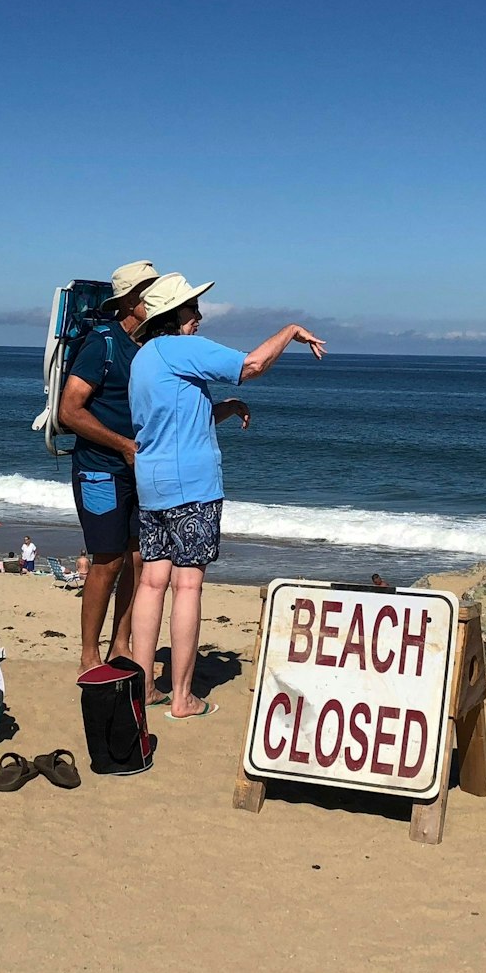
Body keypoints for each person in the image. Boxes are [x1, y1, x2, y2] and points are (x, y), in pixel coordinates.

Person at [125, 273, 325, 718]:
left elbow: (170, 421)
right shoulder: (182, 348)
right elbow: (250, 366)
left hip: (153, 483)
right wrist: (290, 331)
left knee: (152, 582)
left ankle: (142, 690)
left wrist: (224, 409)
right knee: (188, 584)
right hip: (191, 486)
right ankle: (181, 697)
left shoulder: (144, 358)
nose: (198, 316)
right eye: (191, 309)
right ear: (171, 316)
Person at [57, 259, 159, 672]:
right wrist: (122, 445)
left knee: (137, 559)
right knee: (108, 559)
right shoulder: (103, 342)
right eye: (151, 293)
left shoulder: (149, 346)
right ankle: (88, 654)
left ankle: (121, 644)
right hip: (99, 468)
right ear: (132, 301)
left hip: (137, 468)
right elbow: (70, 409)